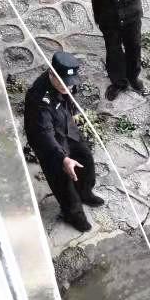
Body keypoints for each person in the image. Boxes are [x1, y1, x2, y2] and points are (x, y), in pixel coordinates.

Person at [24, 51, 104, 232]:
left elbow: (69, 97)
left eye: (69, 82)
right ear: (51, 73)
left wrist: (73, 113)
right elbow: (44, 134)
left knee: (85, 158)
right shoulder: (39, 99)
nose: (66, 86)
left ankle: (85, 192)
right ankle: (73, 214)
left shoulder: (65, 83)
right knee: (63, 181)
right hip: (50, 144)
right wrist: (63, 159)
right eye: (61, 82)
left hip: (67, 128)